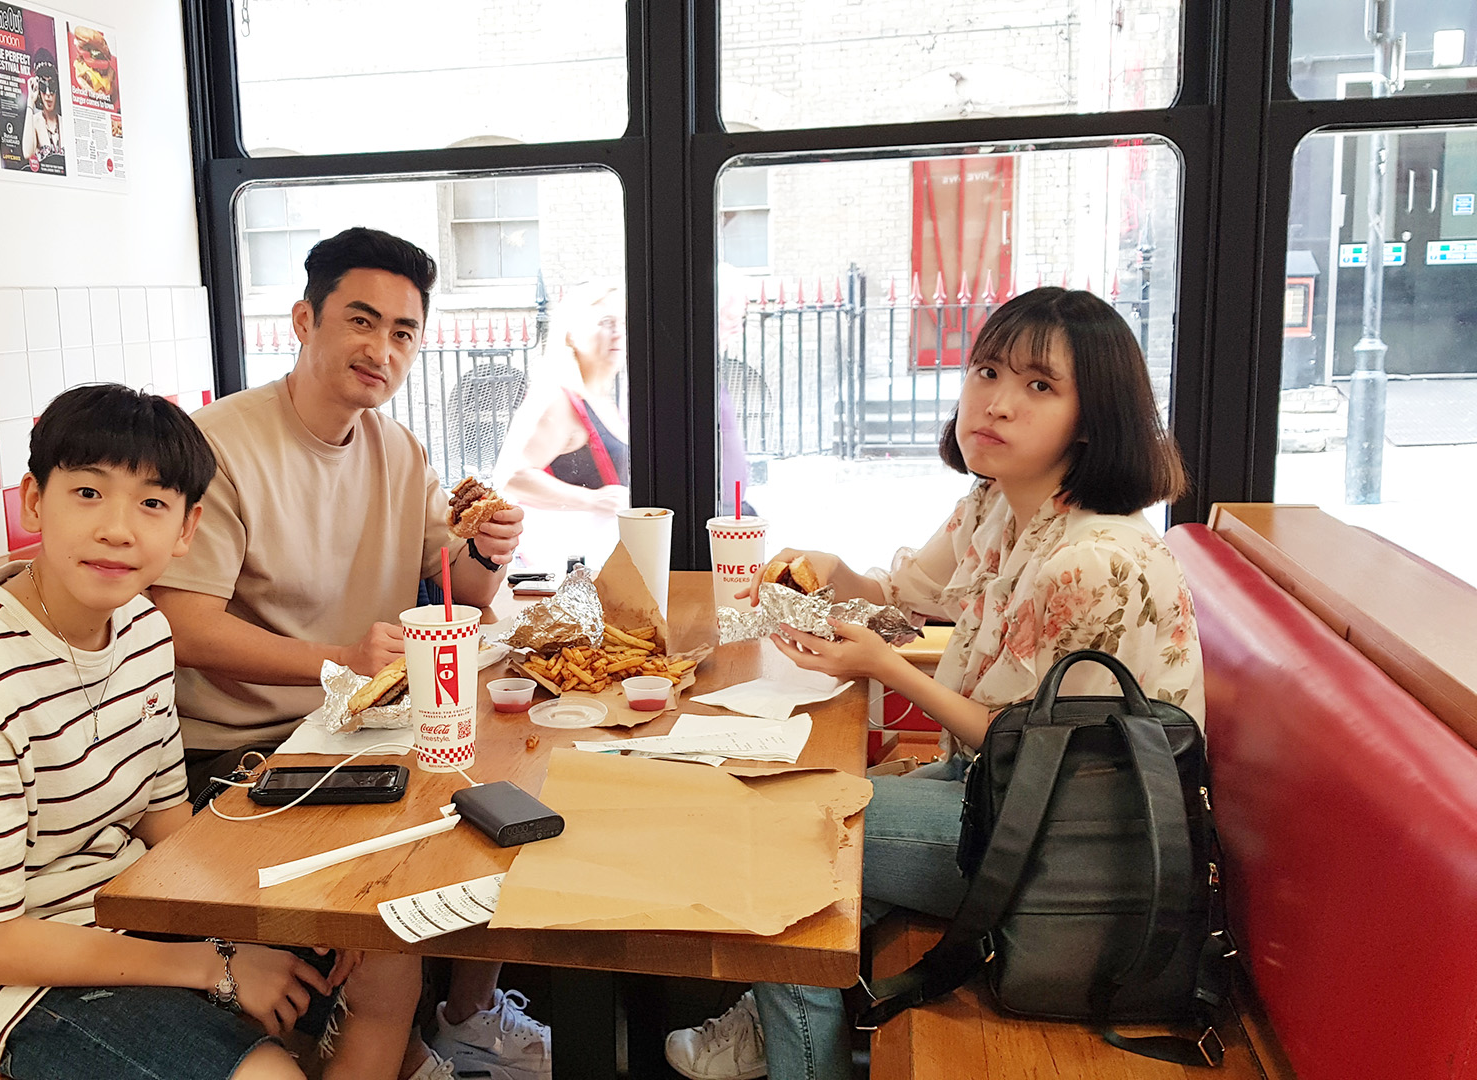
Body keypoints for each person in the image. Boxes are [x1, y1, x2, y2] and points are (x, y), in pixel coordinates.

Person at [663, 287, 1203, 1080]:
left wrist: (883, 668)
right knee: (801, 834)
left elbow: (1041, 758)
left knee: (784, 837)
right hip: (992, 790)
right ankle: (786, 1025)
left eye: (1039, 385)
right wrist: (827, 569)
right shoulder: (995, 503)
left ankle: (793, 1048)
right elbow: (901, 598)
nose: (998, 403)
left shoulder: (1093, 561)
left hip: (1075, 844)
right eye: (987, 372)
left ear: (1093, 418)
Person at [0, 384, 441, 1080]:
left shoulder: (140, 629)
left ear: (187, 529)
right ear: (33, 501)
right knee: (271, 1075)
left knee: (387, 953)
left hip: (129, 904)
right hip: (10, 980)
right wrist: (217, 963)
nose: (118, 529)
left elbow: (165, 825)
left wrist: (286, 917)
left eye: (152, 504)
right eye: (88, 494)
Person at [152, 227, 550, 1079]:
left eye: (404, 332)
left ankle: (465, 1018)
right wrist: (339, 660)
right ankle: (406, 1044)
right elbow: (183, 624)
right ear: (305, 320)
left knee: (517, 799)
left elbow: (458, 589)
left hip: (361, 738)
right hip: (246, 754)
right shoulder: (217, 446)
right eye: (361, 321)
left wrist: (492, 550)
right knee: (394, 929)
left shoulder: (398, 450)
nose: (382, 350)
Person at [490, 284, 629, 573]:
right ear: (571, 334)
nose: (618, 333)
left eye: (622, 322)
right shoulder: (557, 399)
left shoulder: (601, 399)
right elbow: (510, 476)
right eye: (606, 322)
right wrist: (593, 500)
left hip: (596, 563)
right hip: (569, 568)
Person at [21, 54, 63, 171]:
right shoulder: (35, 121)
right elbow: (27, 153)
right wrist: (30, 101)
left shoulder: (64, 123)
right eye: (43, 87)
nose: (48, 93)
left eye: (52, 86)